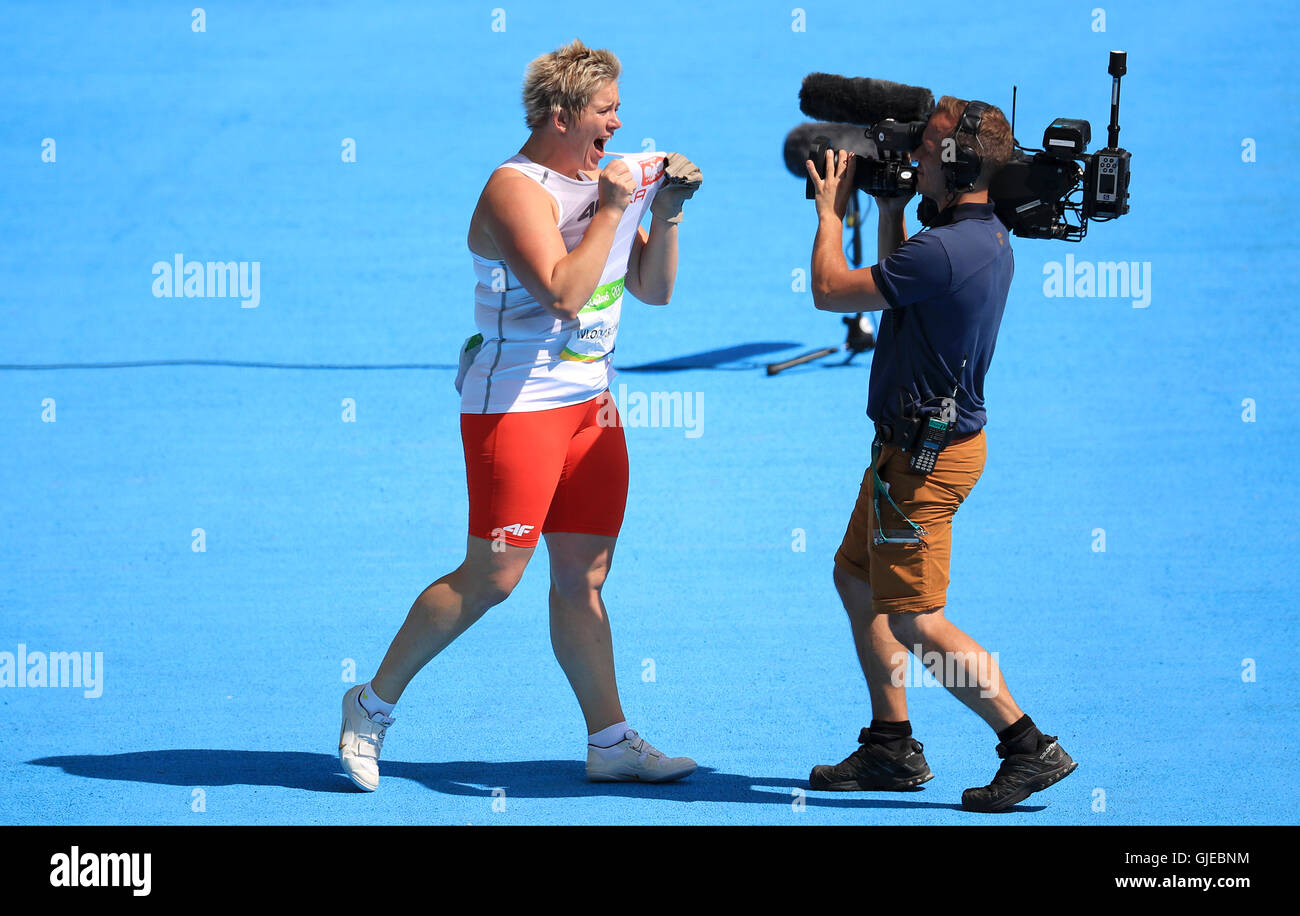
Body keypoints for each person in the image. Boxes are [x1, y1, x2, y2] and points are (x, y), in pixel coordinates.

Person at [338, 39, 702, 791]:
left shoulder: (605, 177)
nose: (619, 121)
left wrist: (663, 212)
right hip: (517, 408)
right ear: (564, 115)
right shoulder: (514, 190)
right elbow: (562, 293)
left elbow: (654, 290)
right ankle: (370, 705)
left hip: (590, 409)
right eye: (606, 110)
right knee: (494, 577)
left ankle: (610, 741)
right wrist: (611, 202)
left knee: (584, 576)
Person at [803, 96, 1077, 812]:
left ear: (956, 163)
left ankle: (1028, 745)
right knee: (856, 579)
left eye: (923, 149)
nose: (911, 157)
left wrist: (833, 212)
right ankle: (890, 747)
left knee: (916, 620)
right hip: (908, 453)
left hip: (923, 465)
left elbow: (832, 292)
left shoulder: (947, 249)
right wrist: (892, 208)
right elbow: (906, 284)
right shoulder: (970, 235)